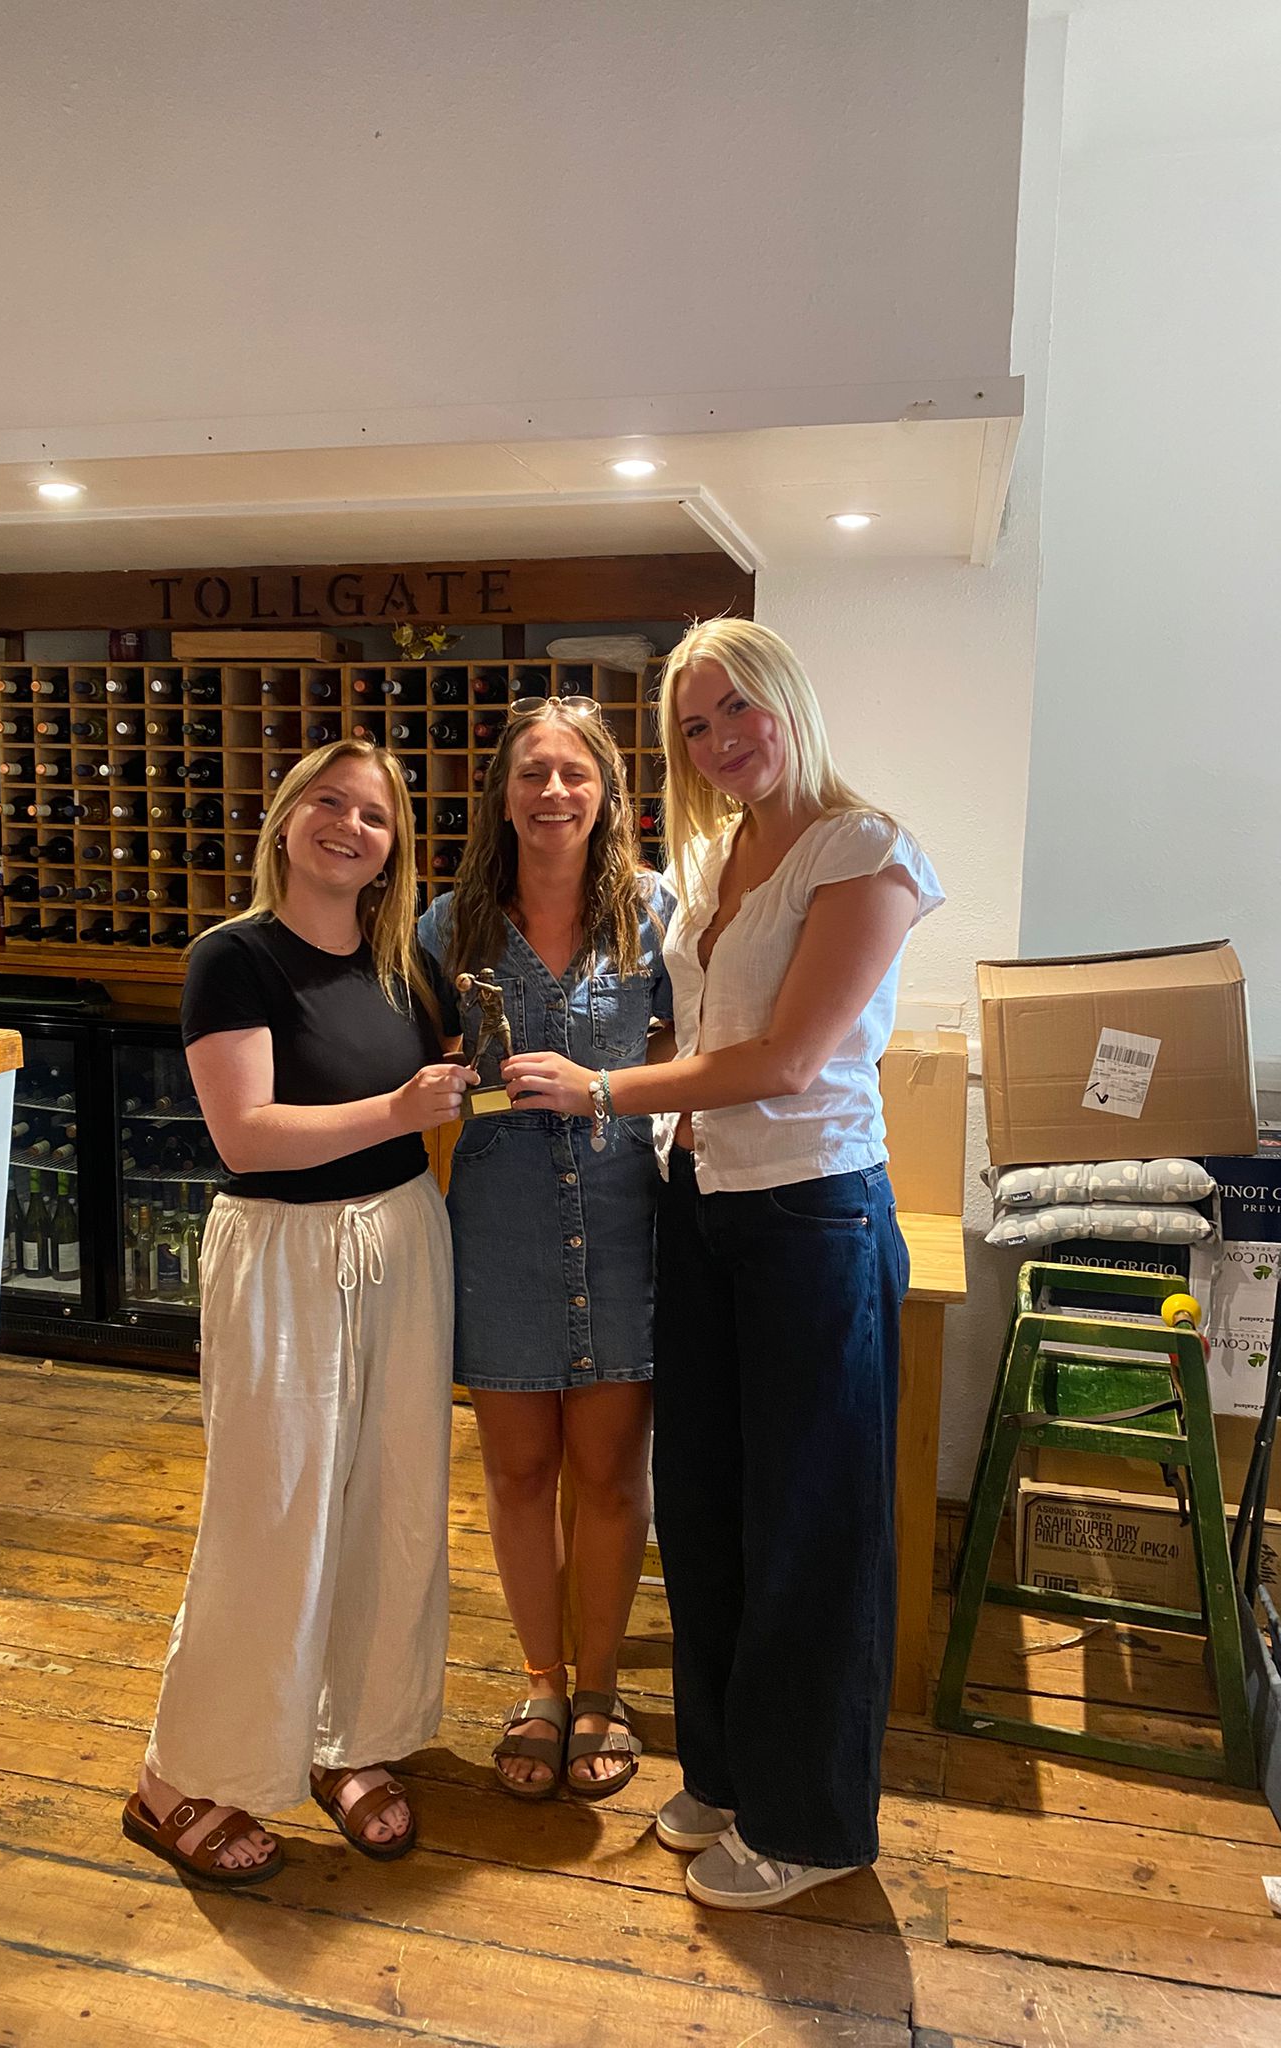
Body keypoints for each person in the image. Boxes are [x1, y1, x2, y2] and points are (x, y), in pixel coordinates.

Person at [504, 619, 943, 1909]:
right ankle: (730, 1769)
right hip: (701, 1203)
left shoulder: (866, 851)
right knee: (704, 1504)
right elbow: (690, 1021)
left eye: (737, 707)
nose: (719, 739)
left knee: (811, 1521)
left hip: (813, 1213)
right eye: (694, 725)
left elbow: (788, 1059)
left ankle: (813, 1821)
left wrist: (601, 1089)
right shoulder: (711, 859)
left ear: (787, 700)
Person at [123, 739, 468, 1886]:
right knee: (270, 1513)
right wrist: (401, 1107)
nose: (349, 826)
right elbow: (247, 1134)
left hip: (402, 1238)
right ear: (284, 818)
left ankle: (346, 1736)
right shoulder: (233, 956)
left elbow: (450, 1081)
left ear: (393, 848)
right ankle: (176, 1774)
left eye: (374, 814)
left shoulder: (405, 966)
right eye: (329, 801)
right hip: (282, 1251)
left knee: (391, 1498)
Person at [418, 696, 672, 1802]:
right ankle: (540, 1684)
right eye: (533, 773)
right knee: (518, 1471)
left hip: (620, 1220)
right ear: (503, 794)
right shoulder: (446, 926)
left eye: (575, 772)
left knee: (610, 1474)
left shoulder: (656, 914)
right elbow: (411, 1049)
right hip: (500, 1222)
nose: (554, 792)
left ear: (608, 790)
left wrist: (615, 1087)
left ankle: (601, 1686)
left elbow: (695, 1042)